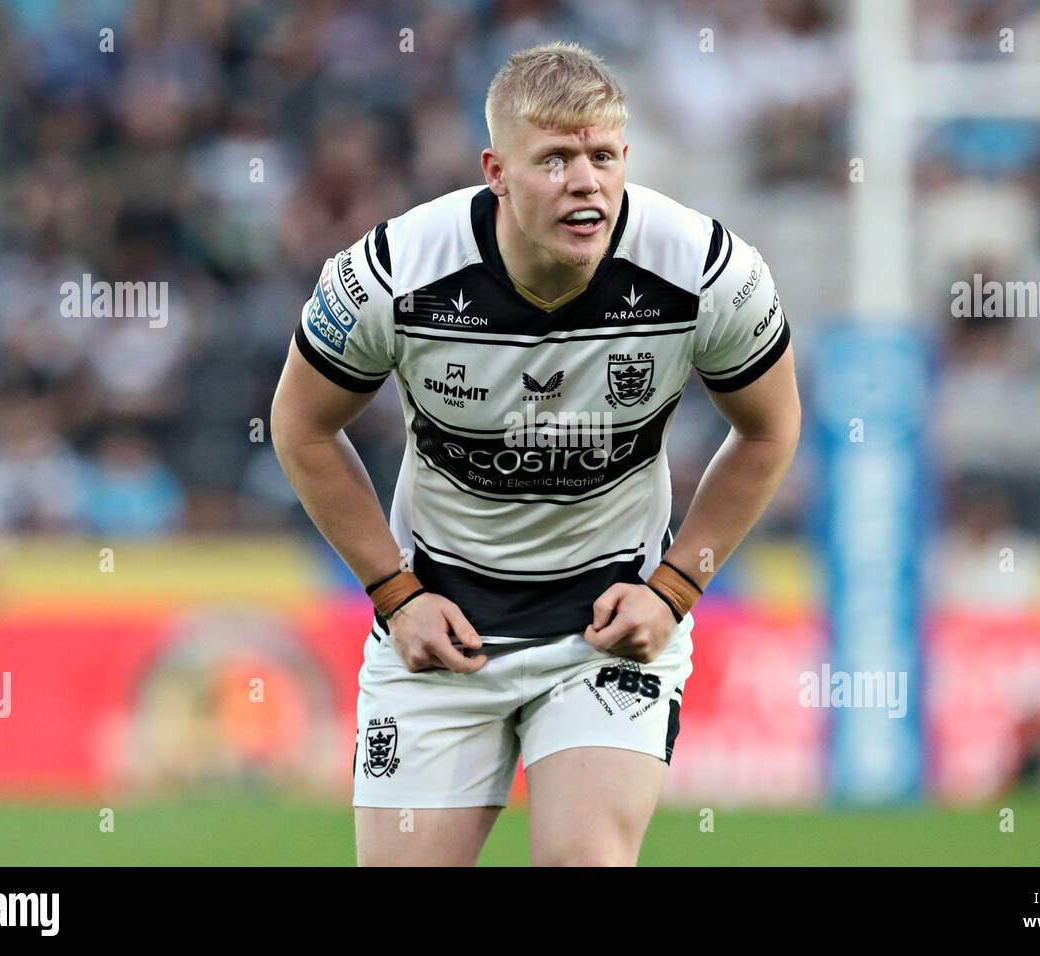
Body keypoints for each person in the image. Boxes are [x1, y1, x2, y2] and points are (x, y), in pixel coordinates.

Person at [271, 42, 801, 866]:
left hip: (606, 630)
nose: (585, 181)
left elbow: (769, 429)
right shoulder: (391, 274)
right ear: (496, 171)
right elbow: (301, 425)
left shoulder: (705, 271)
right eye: (554, 159)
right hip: (440, 631)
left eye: (601, 156)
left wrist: (675, 589)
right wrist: (394, 593)